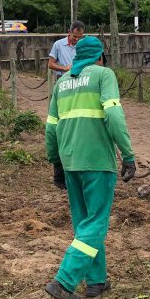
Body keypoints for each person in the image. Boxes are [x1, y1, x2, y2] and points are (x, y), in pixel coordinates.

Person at [44, 36, 136, 299]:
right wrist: (128, 155)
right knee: (96, 223)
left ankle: (96, 280)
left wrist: (56, 163)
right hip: (97, 162)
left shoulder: (62, 82)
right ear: (100, 56)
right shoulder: (103, 75)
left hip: (70, 161)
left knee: (85, 223)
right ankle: (64, 281)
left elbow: (51, 127)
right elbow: (115, 116)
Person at [47, 21, 85, 188]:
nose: (77, 40)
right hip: (62, 83)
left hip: (80, 86)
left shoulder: (84, 45)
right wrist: (64, 69)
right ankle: (60, 173)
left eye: (80, 37)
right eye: (75, 36)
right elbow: (50, 64)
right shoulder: (58, 45)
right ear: (69, 32)